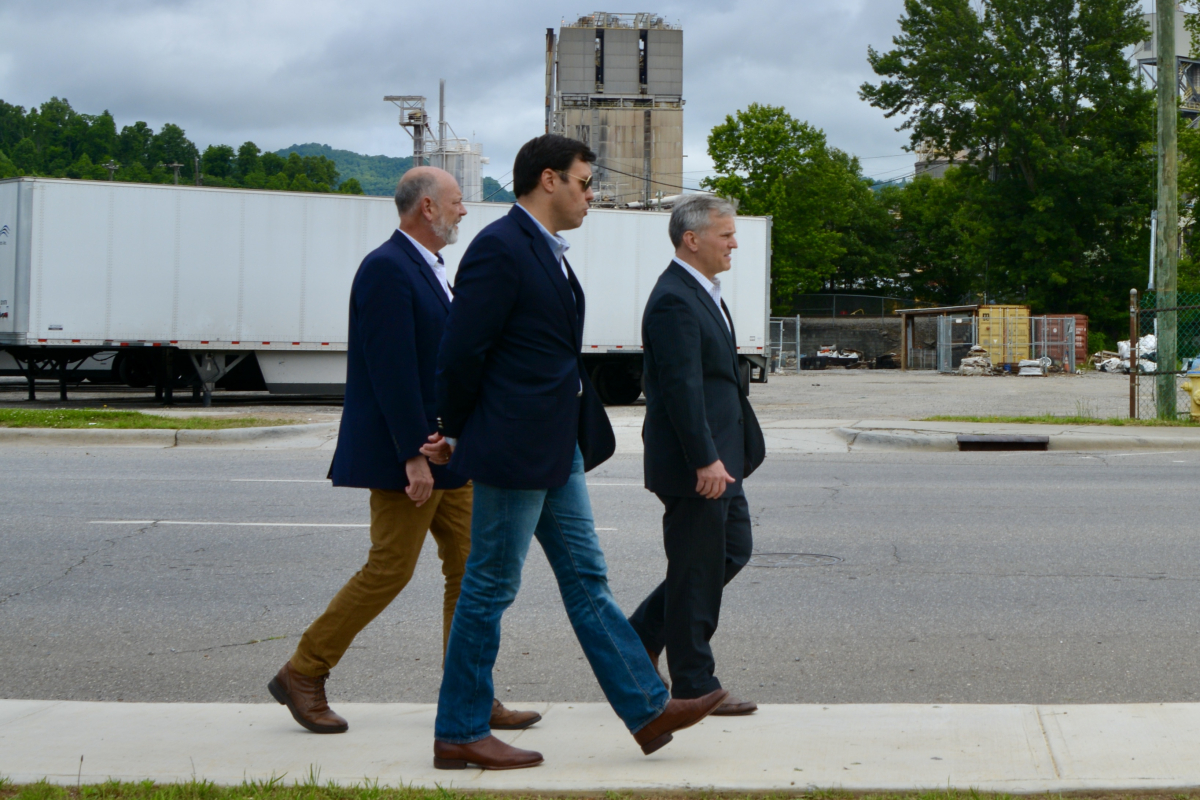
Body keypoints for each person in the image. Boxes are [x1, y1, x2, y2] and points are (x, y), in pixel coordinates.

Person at [430, 135, 728, 771]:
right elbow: (461, 351)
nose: (592, 194)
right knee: (489, 586)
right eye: (585, 182)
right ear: (549, 180)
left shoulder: (547, 252)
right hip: (514, 444)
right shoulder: (501, 248)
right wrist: (453, 430)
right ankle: (458, 730)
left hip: (552, 443)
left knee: (587, 579)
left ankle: (647, 710)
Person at [267, 167, 538, 735]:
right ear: (427, 209)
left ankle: (470, 695)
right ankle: (303, 672)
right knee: (390, 569)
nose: (466, 212)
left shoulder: (434, 269)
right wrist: (413, 453)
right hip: (412, 457)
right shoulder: (387, 268)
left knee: (472, 573)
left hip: (449, 455)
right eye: (458, 202)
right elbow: (390, 372)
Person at [627, 194, 766, 716]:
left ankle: (641, 632)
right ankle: (693, 685)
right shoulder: (674, 299)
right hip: (698, 464)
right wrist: (705, 459)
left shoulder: (703, 291)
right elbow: (682, 388)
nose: (735, 243)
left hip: (722, 457)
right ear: (692, 239)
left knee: (727, 553)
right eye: (726, 235)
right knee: (698, 568)